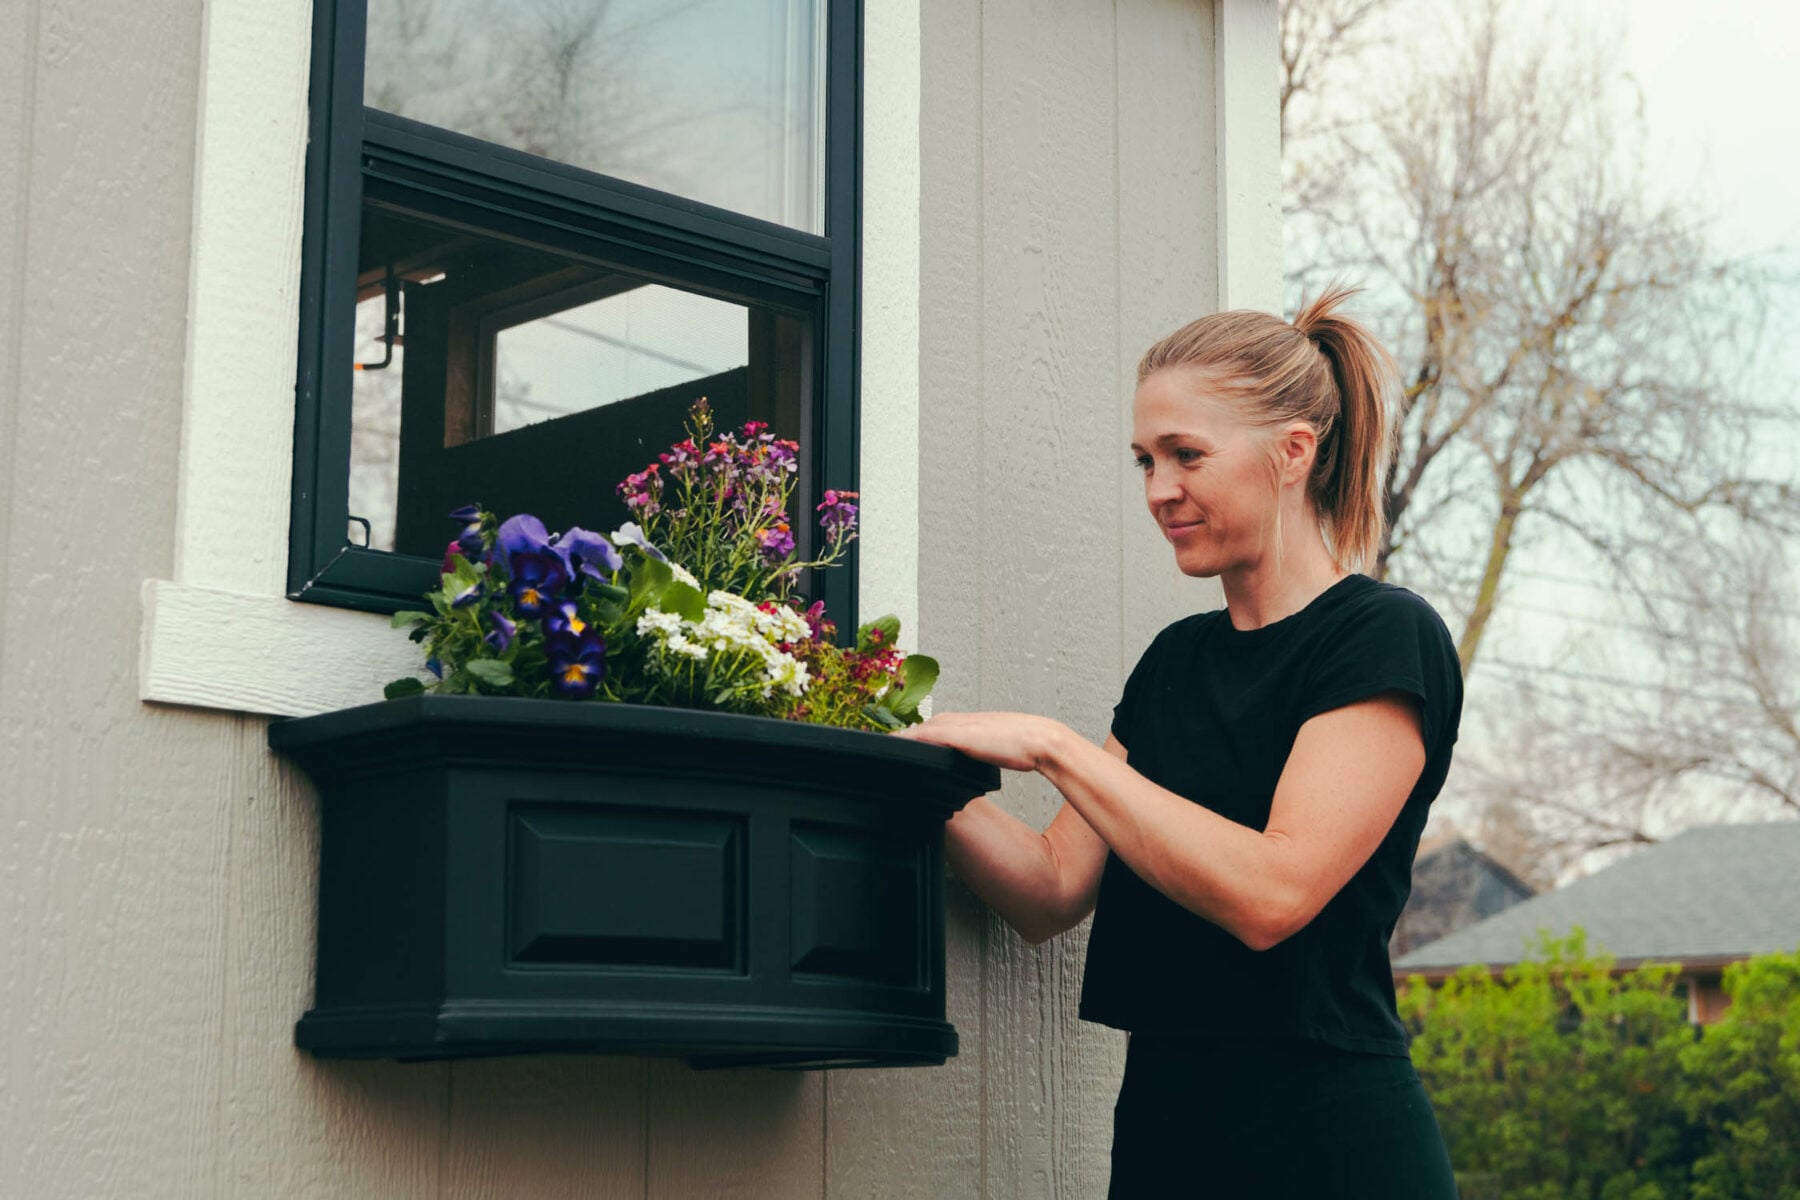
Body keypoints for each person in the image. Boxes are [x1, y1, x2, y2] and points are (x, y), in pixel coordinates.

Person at [895, 285, 1463, 1198]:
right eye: (1144, 461)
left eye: (1186, 455)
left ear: (1292, 452)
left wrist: (1053, 747)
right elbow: (1049, 890)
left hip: (1329, 1137)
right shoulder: (1177, 661)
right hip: (1165, 1123)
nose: (1160, 490)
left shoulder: (1381, 637)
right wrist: (897, 757)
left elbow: (1273, 893)